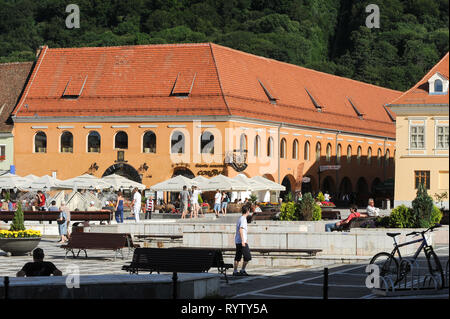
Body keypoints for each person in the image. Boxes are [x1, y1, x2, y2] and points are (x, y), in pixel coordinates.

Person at [233, 205, 252, 276]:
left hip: (238, 241)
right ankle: (242, 270)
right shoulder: (243, 219)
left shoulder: (240, 218)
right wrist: (243, 241)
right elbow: (241, 230)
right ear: (248, 211)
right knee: (247, 256)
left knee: (238, 256)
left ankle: (235, 271)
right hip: (241, 241)